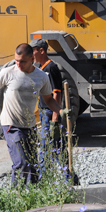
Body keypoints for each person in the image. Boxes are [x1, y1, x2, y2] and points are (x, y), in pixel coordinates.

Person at [0, 43, 68, 186]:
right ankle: (17, 195)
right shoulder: (8, 72)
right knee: (21, 162)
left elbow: (49, 99)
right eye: (16, 60)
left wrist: (60, 111)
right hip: (11, 124)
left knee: (32, 166)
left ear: (32, 59)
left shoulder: (41, 77)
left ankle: (32, 196)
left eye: (22, 61)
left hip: (30, 126)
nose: (18, 64)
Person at [30, 39, 64, 176]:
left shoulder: (51, 68)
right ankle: (67, 177)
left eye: (33, 51)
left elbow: (57, 94)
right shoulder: (42, 69)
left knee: (46, 146)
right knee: (52, 147)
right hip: (45, 112)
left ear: (41, 51)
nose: (31, 54)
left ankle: (43, 178)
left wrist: (55, 120)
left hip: (50, 113)